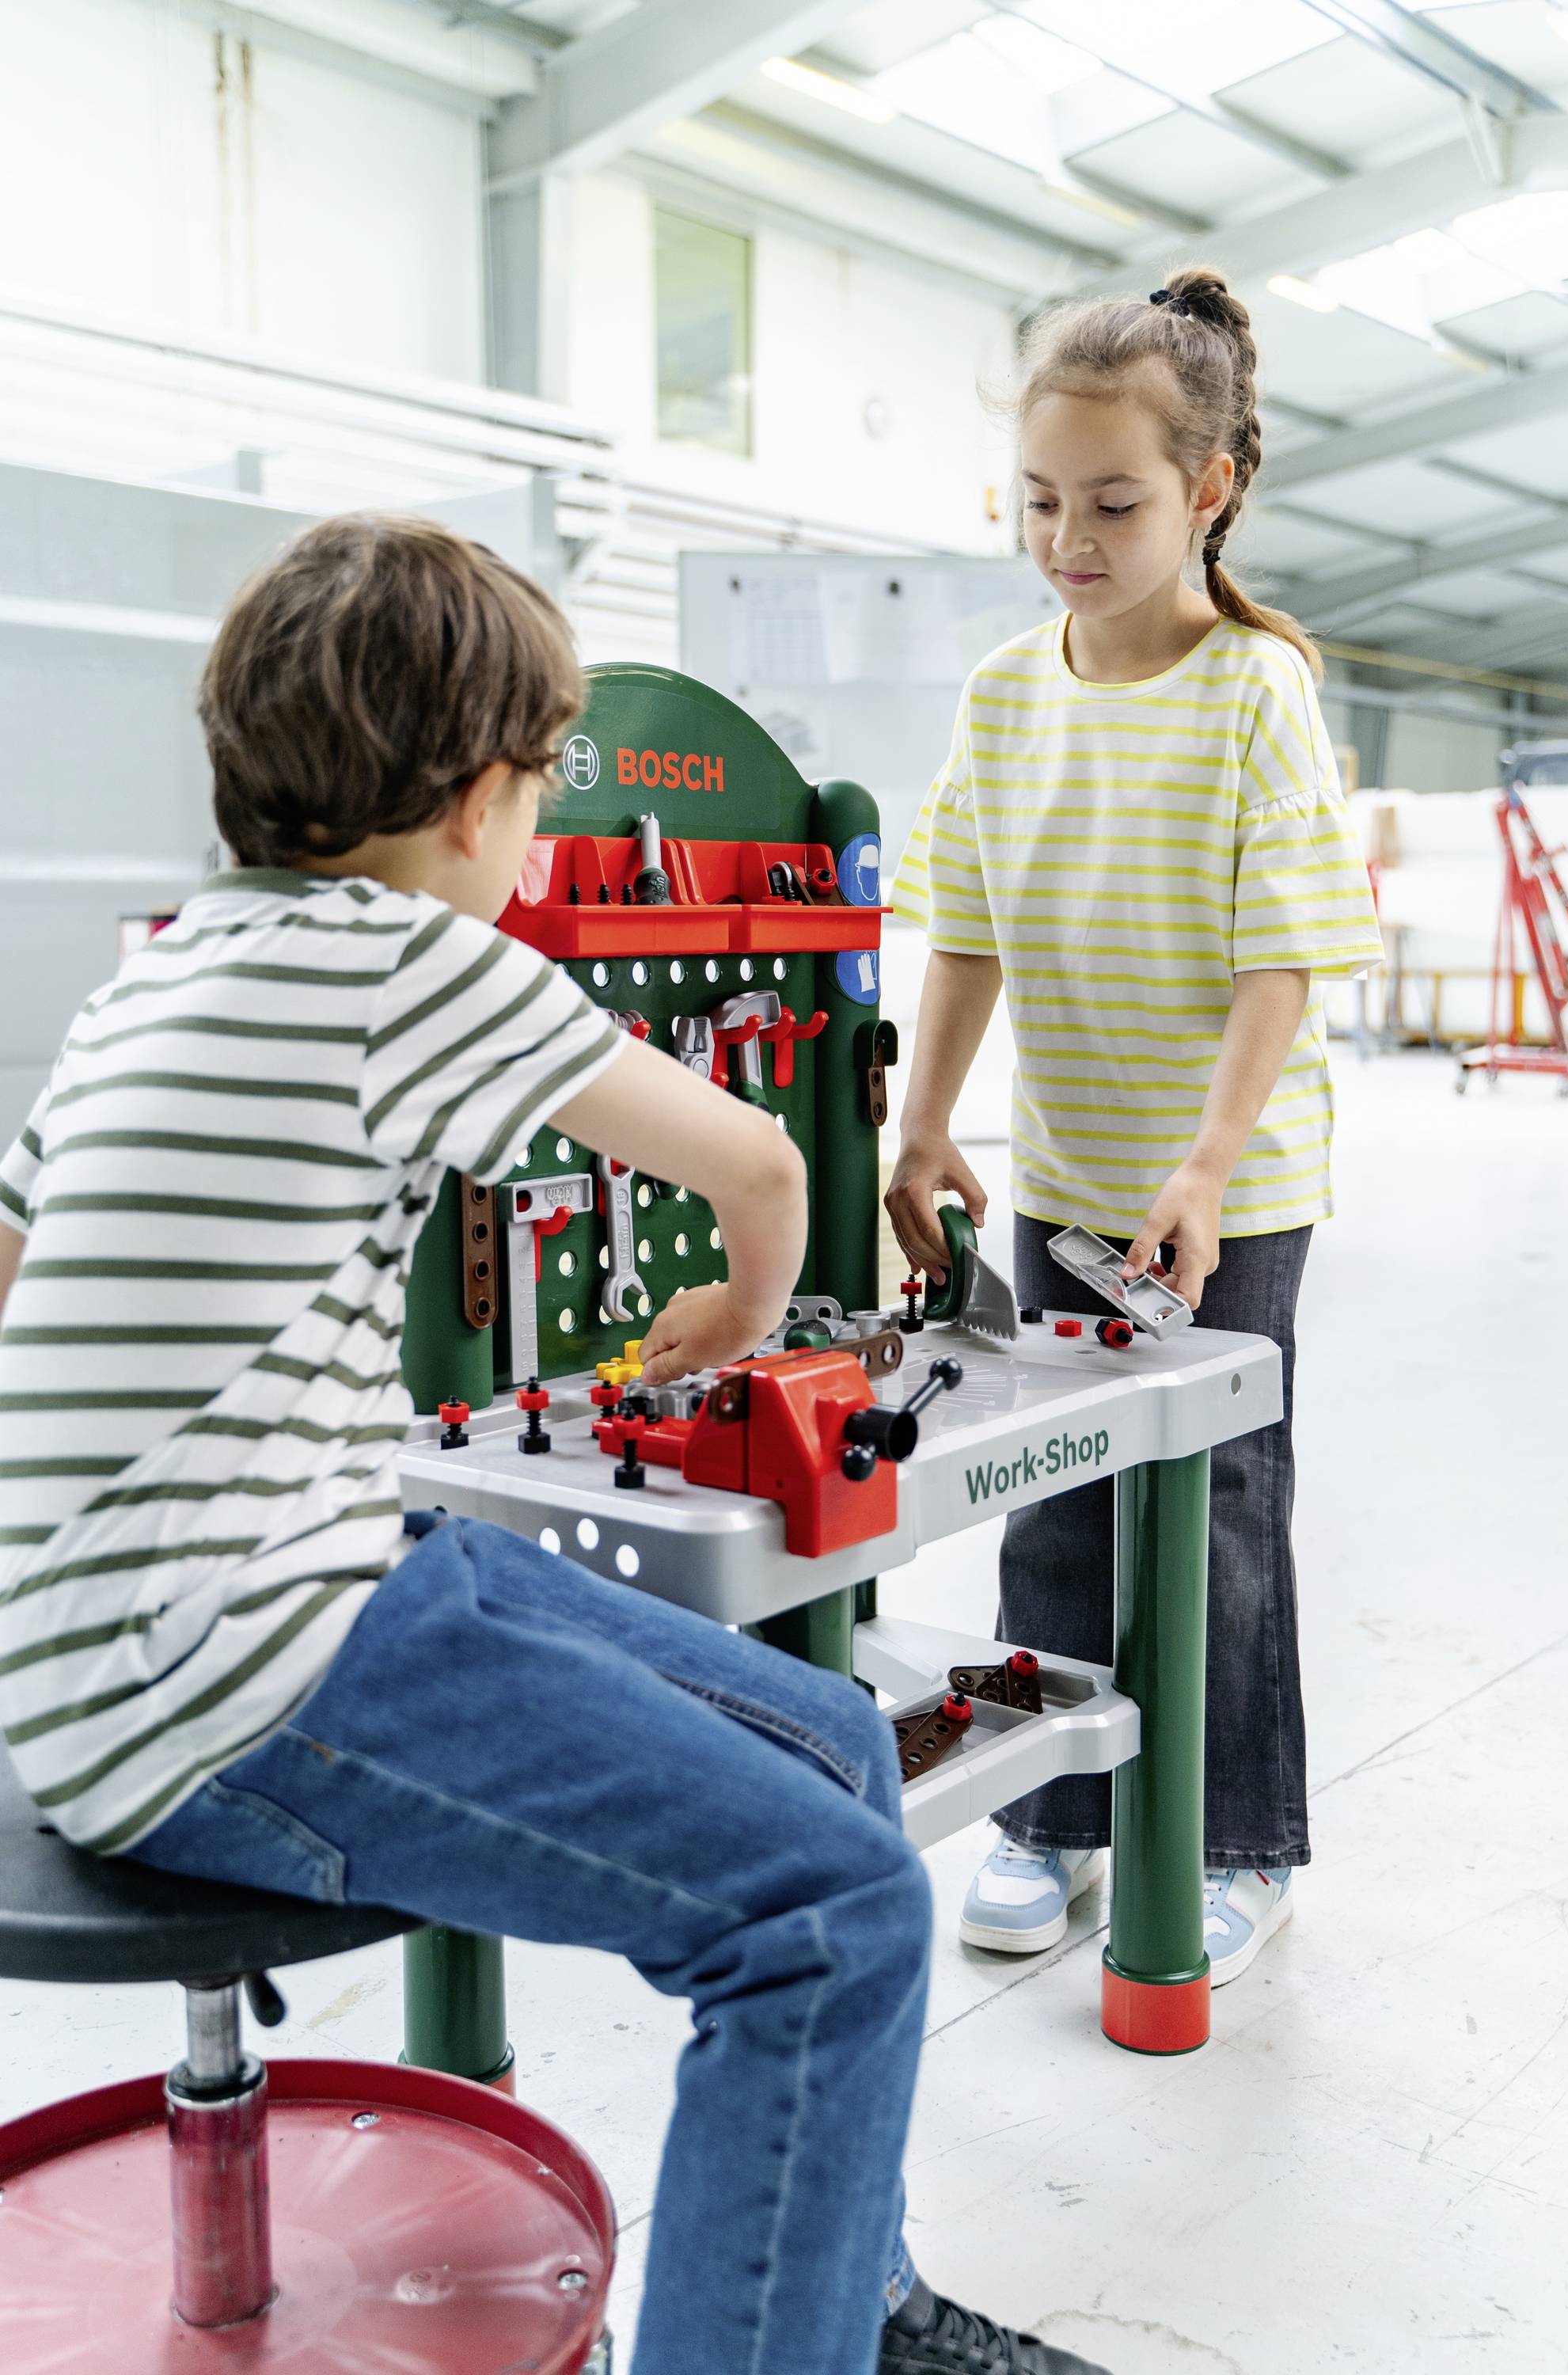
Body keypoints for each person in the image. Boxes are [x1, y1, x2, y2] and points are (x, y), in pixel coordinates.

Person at [0, 515, 1108, 2375]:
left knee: (838, 1734)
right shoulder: (410, 956)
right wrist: (740, 1322)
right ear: (477, 801)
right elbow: (761, 1170)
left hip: (159, 1622)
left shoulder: (159, 976)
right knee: (826, 1922)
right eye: (535, 794)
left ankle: (847, 2303)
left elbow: (24, 1260)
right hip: (233, 1674)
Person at [886, 269, 1382, 1982]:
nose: (1067, 538)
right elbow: (962, 925)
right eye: (1038, 501)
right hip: (1066, 1174)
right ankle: (1052, 1821)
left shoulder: (1255, 694)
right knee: (1052, 1500)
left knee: (1220, 1504)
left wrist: (1203, 1170)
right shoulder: (1005, 697)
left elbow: (1282, 962)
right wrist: (924, 1119)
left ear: (1208, 489)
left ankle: (1235, 1839)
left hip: (1229, 1192)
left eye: (1110, 503)